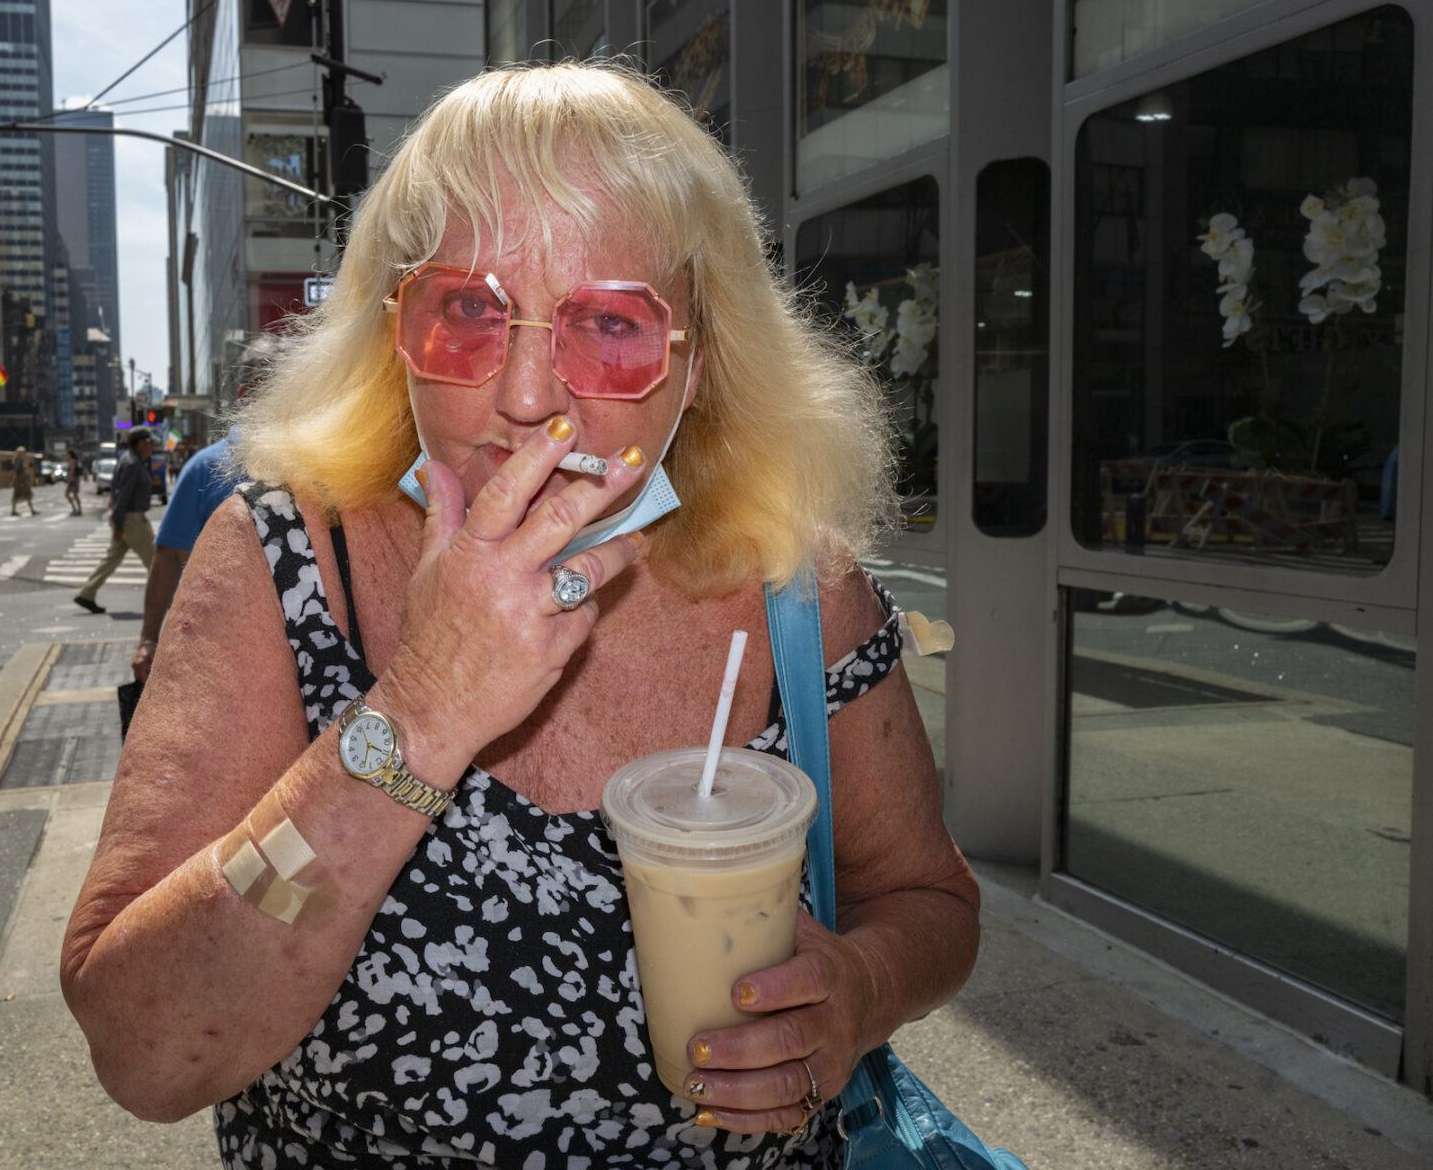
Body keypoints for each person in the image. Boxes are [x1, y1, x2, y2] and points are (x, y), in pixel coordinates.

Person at [62, 64, 978, 1167]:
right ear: (390, 331)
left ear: (699, 362)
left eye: (610, 322)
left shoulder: (800, 588)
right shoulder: (285, 560)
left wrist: (862, 987)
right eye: (466, 311)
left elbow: (928, 898)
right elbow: (145, 1054)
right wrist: (422, 713)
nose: (530, 394)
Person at [130, 435, 240, 683]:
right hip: (217, 655)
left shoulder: (330, 461)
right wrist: (148, 639)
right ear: (243, 395)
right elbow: (168, 556)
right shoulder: (207, 466)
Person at [73, 428, 155, 614]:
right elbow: (122, 496)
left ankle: (87, 593)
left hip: (126, 519)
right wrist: (118, 524)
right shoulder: (132, 463)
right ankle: (165, 601)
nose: (152, 446)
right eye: (150, 442)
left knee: (111, 559)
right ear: (140, 442)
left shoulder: (130, 460)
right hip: (132, 520)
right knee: (156, 562)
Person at [9, 446, 37, 516]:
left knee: (25, 495)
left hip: (23, 480)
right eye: (23, 452)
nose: (25, 453)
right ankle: (14, 511)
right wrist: (13, 481)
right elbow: (16, 472)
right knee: (19, 495)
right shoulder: (19, 461)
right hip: (20, 482)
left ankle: (31, 510)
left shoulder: (22, 460)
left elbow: (26, 468)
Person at [64, 449, 84, 516]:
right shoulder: (74, 461)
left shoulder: (72, 461)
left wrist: (68, 481)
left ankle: (75, 509)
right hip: (75, 479)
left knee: (68, 494)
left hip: (73, 480)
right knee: (75, 495)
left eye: (67, 454)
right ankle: (78, 510)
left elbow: (71, 472)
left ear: (70, 455)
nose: (66, 456)